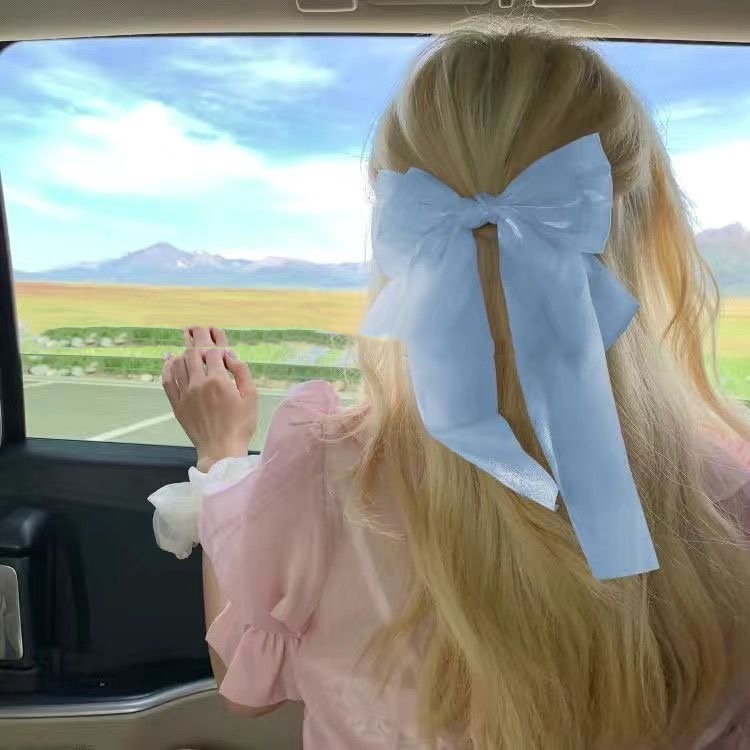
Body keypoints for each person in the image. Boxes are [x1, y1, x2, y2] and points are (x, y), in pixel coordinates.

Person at [148, 19, 750, 750]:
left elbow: (242, 683)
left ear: (401, 231)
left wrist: (220, 455)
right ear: (643, 228)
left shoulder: (330, 478)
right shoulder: (726, 502)